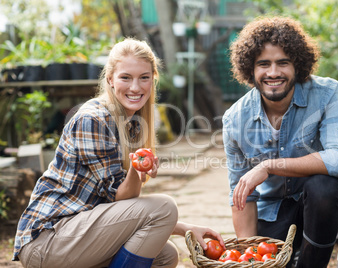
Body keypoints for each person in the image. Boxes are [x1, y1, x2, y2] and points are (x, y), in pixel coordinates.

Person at [13, 38, 225, 268]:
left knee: (165, 255)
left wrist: (184, 228)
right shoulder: (93, 119)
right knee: (165, 206)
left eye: (144, 78)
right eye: (126, 77)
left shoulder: (131, 123)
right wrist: (135, 169)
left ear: (153, 80)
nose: (136, 87)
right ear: (110, 80)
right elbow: (121, 197)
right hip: (47, 242)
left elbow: (119, 209)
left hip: (76, 232)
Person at [222, 16, 338, 267]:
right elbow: (241, 195)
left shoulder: (326, 94)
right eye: (264, 64)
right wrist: (249, 256)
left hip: (322, 205)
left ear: (298, 65)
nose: (273, 73)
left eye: (283, 63)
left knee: (323, 187)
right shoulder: (234, 120)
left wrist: (269, 166)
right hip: (272, 212)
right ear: (250, 69)